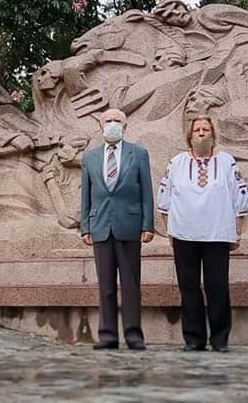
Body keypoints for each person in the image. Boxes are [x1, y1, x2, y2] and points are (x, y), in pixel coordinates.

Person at [157, 115, 248, 352]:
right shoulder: (176, 162)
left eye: (206, 129)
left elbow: (240, 197)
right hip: (184, 236)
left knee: (217, 287)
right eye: (197, 129)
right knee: (188, 288)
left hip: (217, 235)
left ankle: (219, 340)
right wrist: (171, 230)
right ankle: (194, 339)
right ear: (189, 135)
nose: (201, 133)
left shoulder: (227, 161)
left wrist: (237, 232)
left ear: (213, 134)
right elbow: (164, 200)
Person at [80, 109, 154, 350]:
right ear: (100, 126)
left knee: (131, 284)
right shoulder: (90, 158)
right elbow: (86, 196)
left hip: (130, 226)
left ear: (125, 125)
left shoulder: (139, 154)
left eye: (117, 121)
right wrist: (85, 226)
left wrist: (147, 224)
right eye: (108, 121)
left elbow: (146, 191)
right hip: (100, 226)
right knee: (106, 285)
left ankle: (134, 335)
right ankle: (107, 335)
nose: (113, 124)